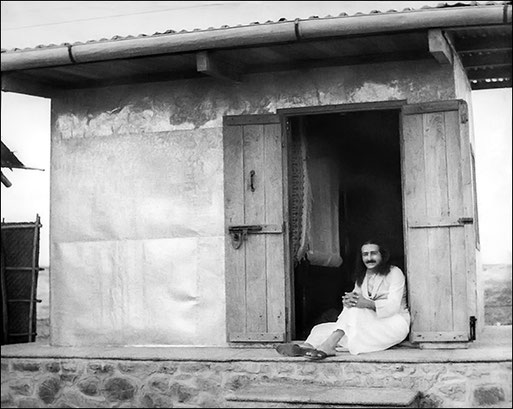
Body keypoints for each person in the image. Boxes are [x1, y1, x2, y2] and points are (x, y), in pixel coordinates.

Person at [276, 239, 410, 359]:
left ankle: (329, 346)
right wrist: (347, 302)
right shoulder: (363, 276)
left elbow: (392, 307)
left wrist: (367, 303)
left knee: (355, 311)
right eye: (365, 254)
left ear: (382, 255)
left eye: (373, 253)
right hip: (372, 323)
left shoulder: (394, 273)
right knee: (320, 329)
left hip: (394, 324)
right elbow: (355, 301)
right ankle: (307, 347)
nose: (369, 258)